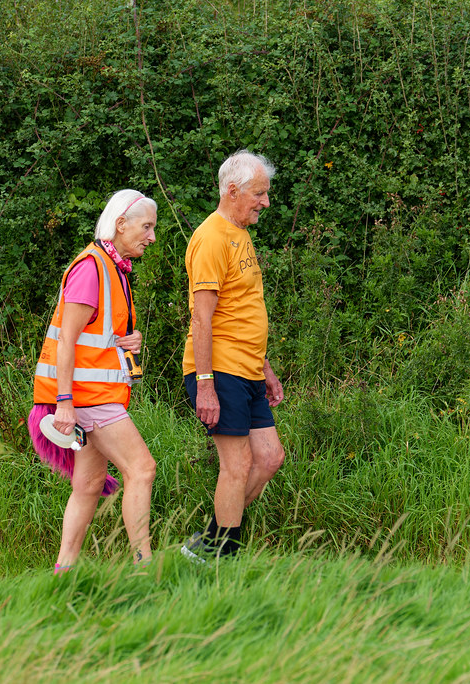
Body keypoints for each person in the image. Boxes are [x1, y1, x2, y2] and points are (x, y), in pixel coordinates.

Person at [27, 189, 158, 572]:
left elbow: (93, 336)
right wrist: (64, 402)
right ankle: (144, 568)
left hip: (92, 396)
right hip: (88, 398)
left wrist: (127, 339)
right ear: (121, 224)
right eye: (146, 226)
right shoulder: (93, 267)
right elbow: (66, 339)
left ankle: (63, 573)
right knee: (142, 469)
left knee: (88, 485)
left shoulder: (112, 268)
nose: (151, 237)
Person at [180, 150, 286, 562]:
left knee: (269, 458)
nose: (265, 202)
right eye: (259, 194)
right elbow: (202, 318)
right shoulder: (209, 238)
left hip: (247, 367)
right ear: (232, 190)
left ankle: (207, 543)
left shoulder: (240, 234)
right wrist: (205, 385)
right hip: (218, 370)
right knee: (237, 464)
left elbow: (241, 309)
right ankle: (220, 558)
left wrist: (265, 367)